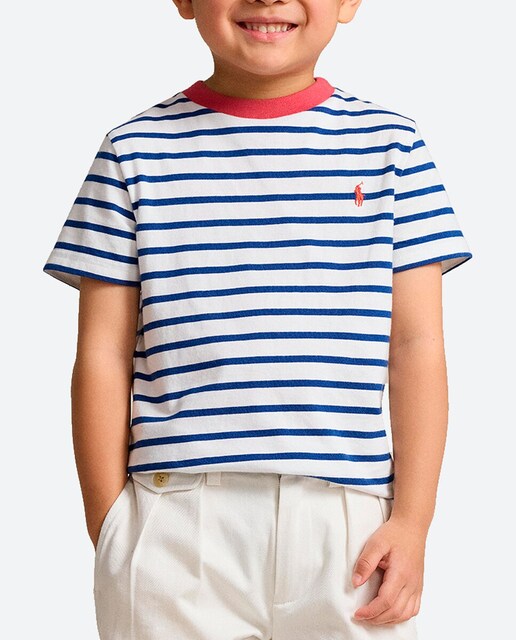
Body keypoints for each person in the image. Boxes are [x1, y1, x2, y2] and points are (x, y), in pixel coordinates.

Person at [42, 0, 472, 638]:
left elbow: (416, 345)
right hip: (175, 514)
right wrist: (111, 527)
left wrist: (413, 520)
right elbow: (101, 352)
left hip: (349, 525)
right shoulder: (133, 152)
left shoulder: (392, 147)